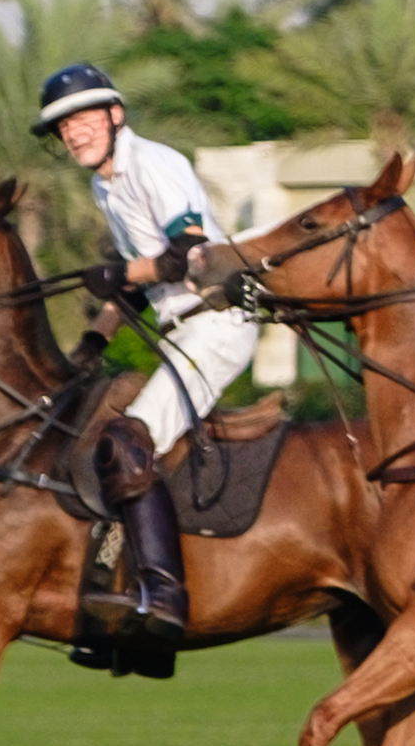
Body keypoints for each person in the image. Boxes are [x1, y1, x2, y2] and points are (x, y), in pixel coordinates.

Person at [34, 57, 256, 666]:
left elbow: (187, 254)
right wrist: (92, 345)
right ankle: (119, 603)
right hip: (181, 330)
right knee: (105, 441)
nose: (73, 133)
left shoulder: (155, 163)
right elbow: (132, 284)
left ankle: (164, 599)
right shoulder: (103, 184)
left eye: (81, 119)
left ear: (113, 115)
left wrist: (115, 272)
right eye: (62, 128)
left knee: (129, 440)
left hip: (217, 324)